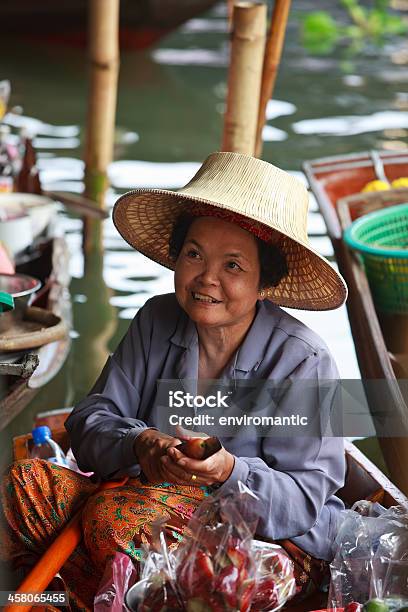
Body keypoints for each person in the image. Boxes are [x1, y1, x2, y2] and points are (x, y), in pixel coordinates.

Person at [1, 152, 348, 610]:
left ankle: (74, 593)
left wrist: (227, 472)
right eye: (194, 254)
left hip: (268, 543)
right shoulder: (157, 318)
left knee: (112, 520)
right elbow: (91, 419)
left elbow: (303, 498)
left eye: (233, 266)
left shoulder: (302, 360)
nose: (206, 279)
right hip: (143, 504)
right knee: (24, 484)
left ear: (265, 281)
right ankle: (90, 594)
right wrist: (140, 444)